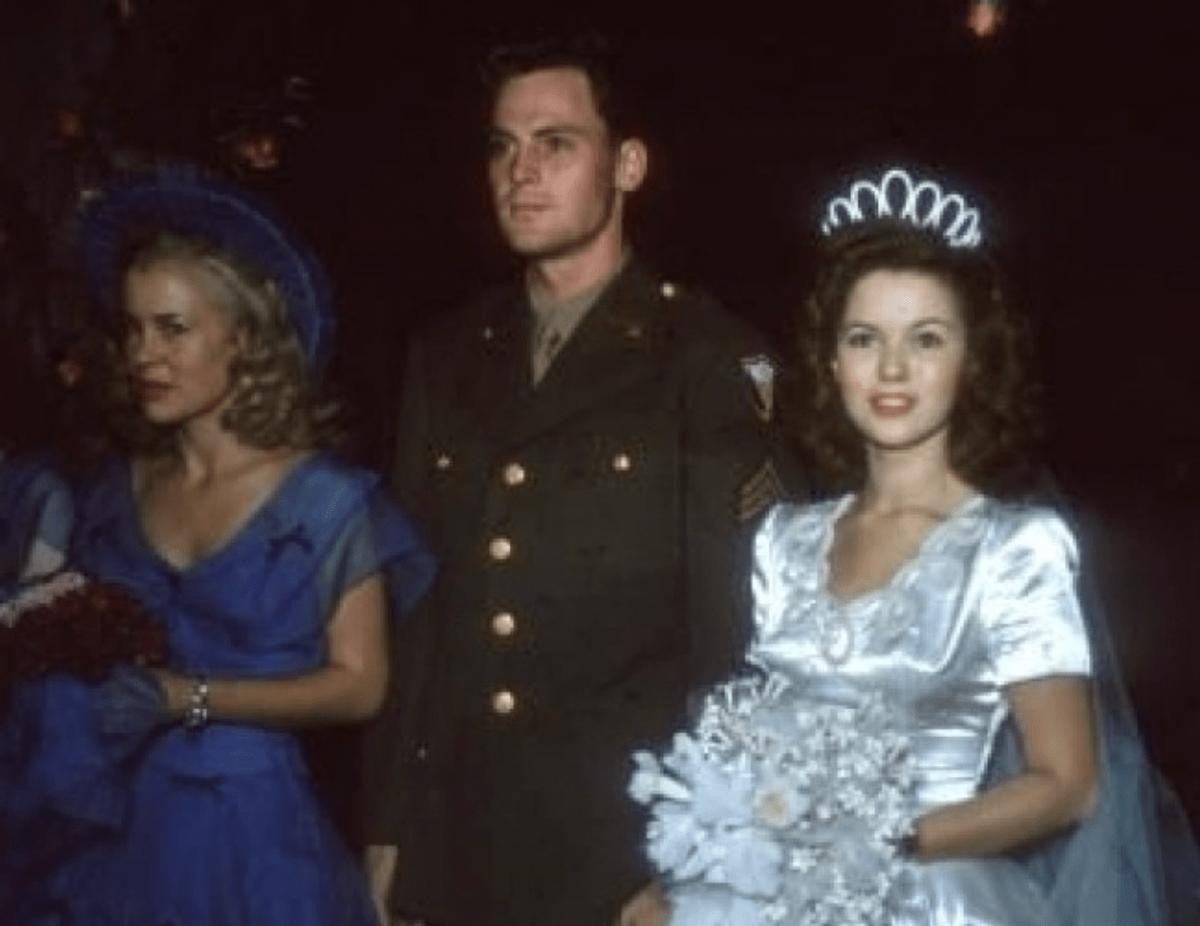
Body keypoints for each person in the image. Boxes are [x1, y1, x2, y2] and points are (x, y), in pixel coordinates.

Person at [631, 166, 1200, 924]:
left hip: (929, 898)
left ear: (972, 362)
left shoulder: (1014, 550)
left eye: (926, 339)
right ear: (832, 362)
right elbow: (755, 739)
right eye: (864, 339)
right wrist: (691, 871)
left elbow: (1068, 785)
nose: (892, 369)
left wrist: (879, 839)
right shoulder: (786, 541)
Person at [361, 34, 797, 926]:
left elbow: (742, 635)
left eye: (556, 143)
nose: (521, 172)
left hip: (622, 850)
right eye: (502, 147)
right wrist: (389, 831)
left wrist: (694, 860)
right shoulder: (447, 355)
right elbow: (421, 620)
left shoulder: (704, 355)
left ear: (626, 165)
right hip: (462, 841)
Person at [2, 166, 435, 925]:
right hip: (116, 833)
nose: (145, 354)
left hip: (254, 843)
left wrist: (190, 698)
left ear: (243, 337)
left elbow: (361, 686)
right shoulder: (115, 490)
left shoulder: (327, 499)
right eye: (133, 329)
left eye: (173, 328)